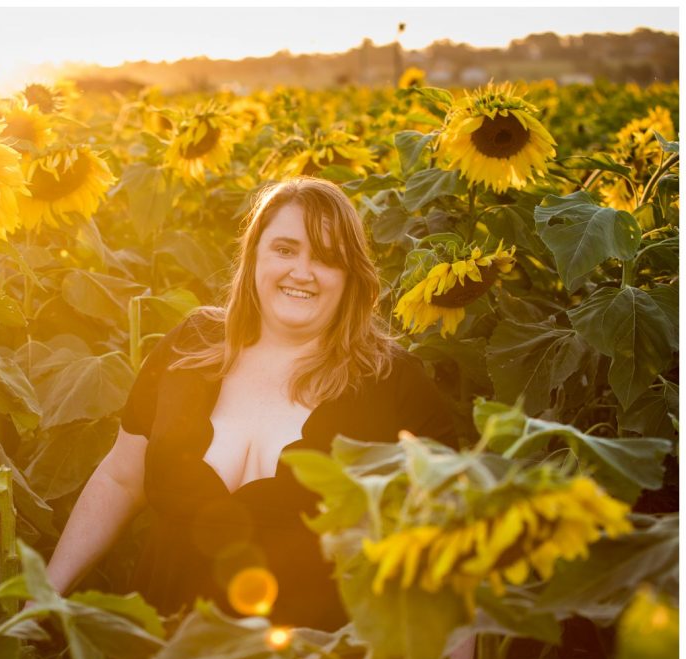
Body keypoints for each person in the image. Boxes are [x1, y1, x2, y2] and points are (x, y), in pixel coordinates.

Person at [46, 176, 458, 633]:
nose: (302, 271)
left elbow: (450, 545)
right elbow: (122, 478)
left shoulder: (391, 383)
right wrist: (42, 597)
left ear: (350, 276)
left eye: (325, 258)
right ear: (255, 255)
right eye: (285, 249)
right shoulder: (190, 344)